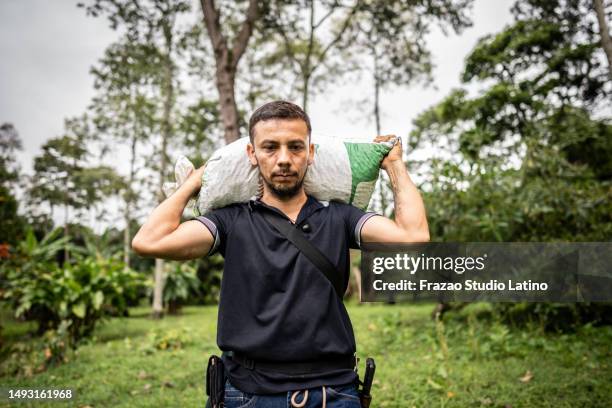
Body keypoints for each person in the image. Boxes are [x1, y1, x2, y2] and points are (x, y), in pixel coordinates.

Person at [132, 101, 429, 408]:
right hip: (247, 394)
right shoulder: (231, 221)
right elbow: (149, 242)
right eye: (270, 147)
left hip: (333, 392)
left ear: (310, 153)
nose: (284, 159)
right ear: (251, 154)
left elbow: (413, 236)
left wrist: (394, 165)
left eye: (296, 147)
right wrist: (196, 180)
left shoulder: (340, 218)